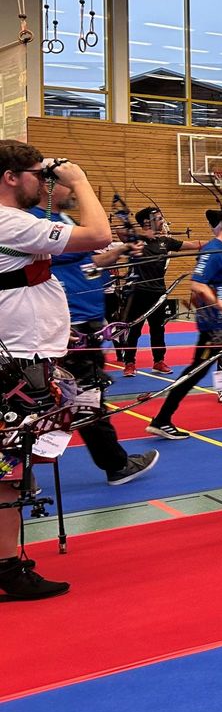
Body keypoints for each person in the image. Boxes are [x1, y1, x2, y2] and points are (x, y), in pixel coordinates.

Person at [0, 140, 111, 600]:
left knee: (14, 463)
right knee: (8, 467)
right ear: (10, 176)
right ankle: (6, 566)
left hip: (22, 354)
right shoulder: (9, 221)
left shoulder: (18, 224)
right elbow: (98, 234)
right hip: (16, 360)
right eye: (35, 175)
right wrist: (79, 180)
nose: (43, 183)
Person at [36, 181, 160, 486]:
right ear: (48, 188)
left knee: (71, 397)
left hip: (82, 321)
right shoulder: (39, 223)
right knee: (84, 398)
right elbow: (93, 239)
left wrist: (120, 250)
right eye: (67, 186)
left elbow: (87, 265)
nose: (73, 192)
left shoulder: (63, 221)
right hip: (69, 324)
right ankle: (116, 464)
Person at [145, 207, 222, 438]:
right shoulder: (214, 251)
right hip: (216, 326)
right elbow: (197, 285)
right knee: (196, 371)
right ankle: (162, 418)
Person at [115, 206, 202, 377]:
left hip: (158, 292)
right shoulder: (135, 240)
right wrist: (142, 234)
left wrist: (220, 241)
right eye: (159, 218)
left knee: (158, 328)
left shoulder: (165, 241)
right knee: (134, 329)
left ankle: (158, 361)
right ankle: (130, 363)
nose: (163, 221)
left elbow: (194, 244)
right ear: (147, 222)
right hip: (137, 292)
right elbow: (119, 231)